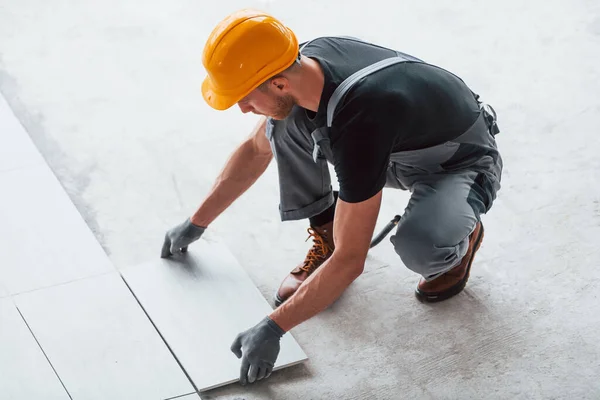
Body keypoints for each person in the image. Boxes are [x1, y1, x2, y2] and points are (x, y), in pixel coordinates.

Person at [160, 9, 503, 385]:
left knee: (422, 246)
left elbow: (352, 259)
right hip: (396, 144)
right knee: (282, 126)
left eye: (244, 98)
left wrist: (274, 328)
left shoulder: (361, 121)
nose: (242, 108)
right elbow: (256, 151)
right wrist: (197, 222)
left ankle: (460, 240)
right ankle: (325, 232)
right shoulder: (300, 65)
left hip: (456, 160)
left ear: (276, 84)